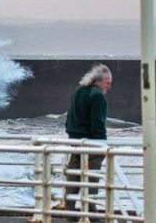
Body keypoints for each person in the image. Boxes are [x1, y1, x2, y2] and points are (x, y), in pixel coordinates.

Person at [62, 63, 113, 216]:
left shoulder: (78, 91)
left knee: (74, 175)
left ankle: (69, 211)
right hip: (92, 144)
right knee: (92, 177)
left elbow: (70, 115)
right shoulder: (97, 95)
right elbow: (98, 123)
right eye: (107, 83)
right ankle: (92, 213)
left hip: (75, 141)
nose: (109, 86)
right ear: (98, 81)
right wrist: (103, 145)